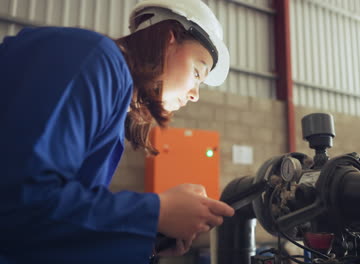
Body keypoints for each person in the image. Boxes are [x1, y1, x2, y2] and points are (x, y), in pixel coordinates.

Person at [0, 0, 234, 263]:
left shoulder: (114, 111)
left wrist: (148, 236)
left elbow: (52, 227)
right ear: (170, 39)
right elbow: (18, 203)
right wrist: (156, 213)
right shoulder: (94, 57)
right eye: (196, 72)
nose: (195, 95)